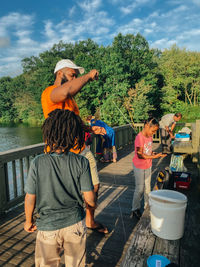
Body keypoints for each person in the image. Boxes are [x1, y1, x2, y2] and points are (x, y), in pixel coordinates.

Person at [41, 59, 108, 234]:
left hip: (82, 150)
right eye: (72, 75)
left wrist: (90, 128)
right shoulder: (50, 93)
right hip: (62, 155)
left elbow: (74, 122)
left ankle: (90, 221)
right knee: (66, 195)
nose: (74, 79)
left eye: (76, 76)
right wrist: (87, 77)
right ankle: (65, 228)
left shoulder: (71, 102)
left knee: (94, 185)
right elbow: (64, 92)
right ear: (60, 74)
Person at [24, 109, 96, 267]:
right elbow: (89, 197)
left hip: (47, 227)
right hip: (75, 223)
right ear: (75, 134)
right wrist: (90, 206)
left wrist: (28, 221)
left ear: (48, 132)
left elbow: (30, 197)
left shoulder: (37, 162)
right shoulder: (81, 162)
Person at [131, 118, 166, 219]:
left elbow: (148, 151)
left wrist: (155, 154)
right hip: (139, 166)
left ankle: (147, 207)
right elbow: (140, 156)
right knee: (140, 189)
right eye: (153, 130)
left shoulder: (149, 137)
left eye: (155, 131)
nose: (154, 133)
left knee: (148, 187)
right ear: (147, 126)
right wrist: (154, 157)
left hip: (148, 165)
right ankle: (135, 209)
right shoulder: (139, 138)